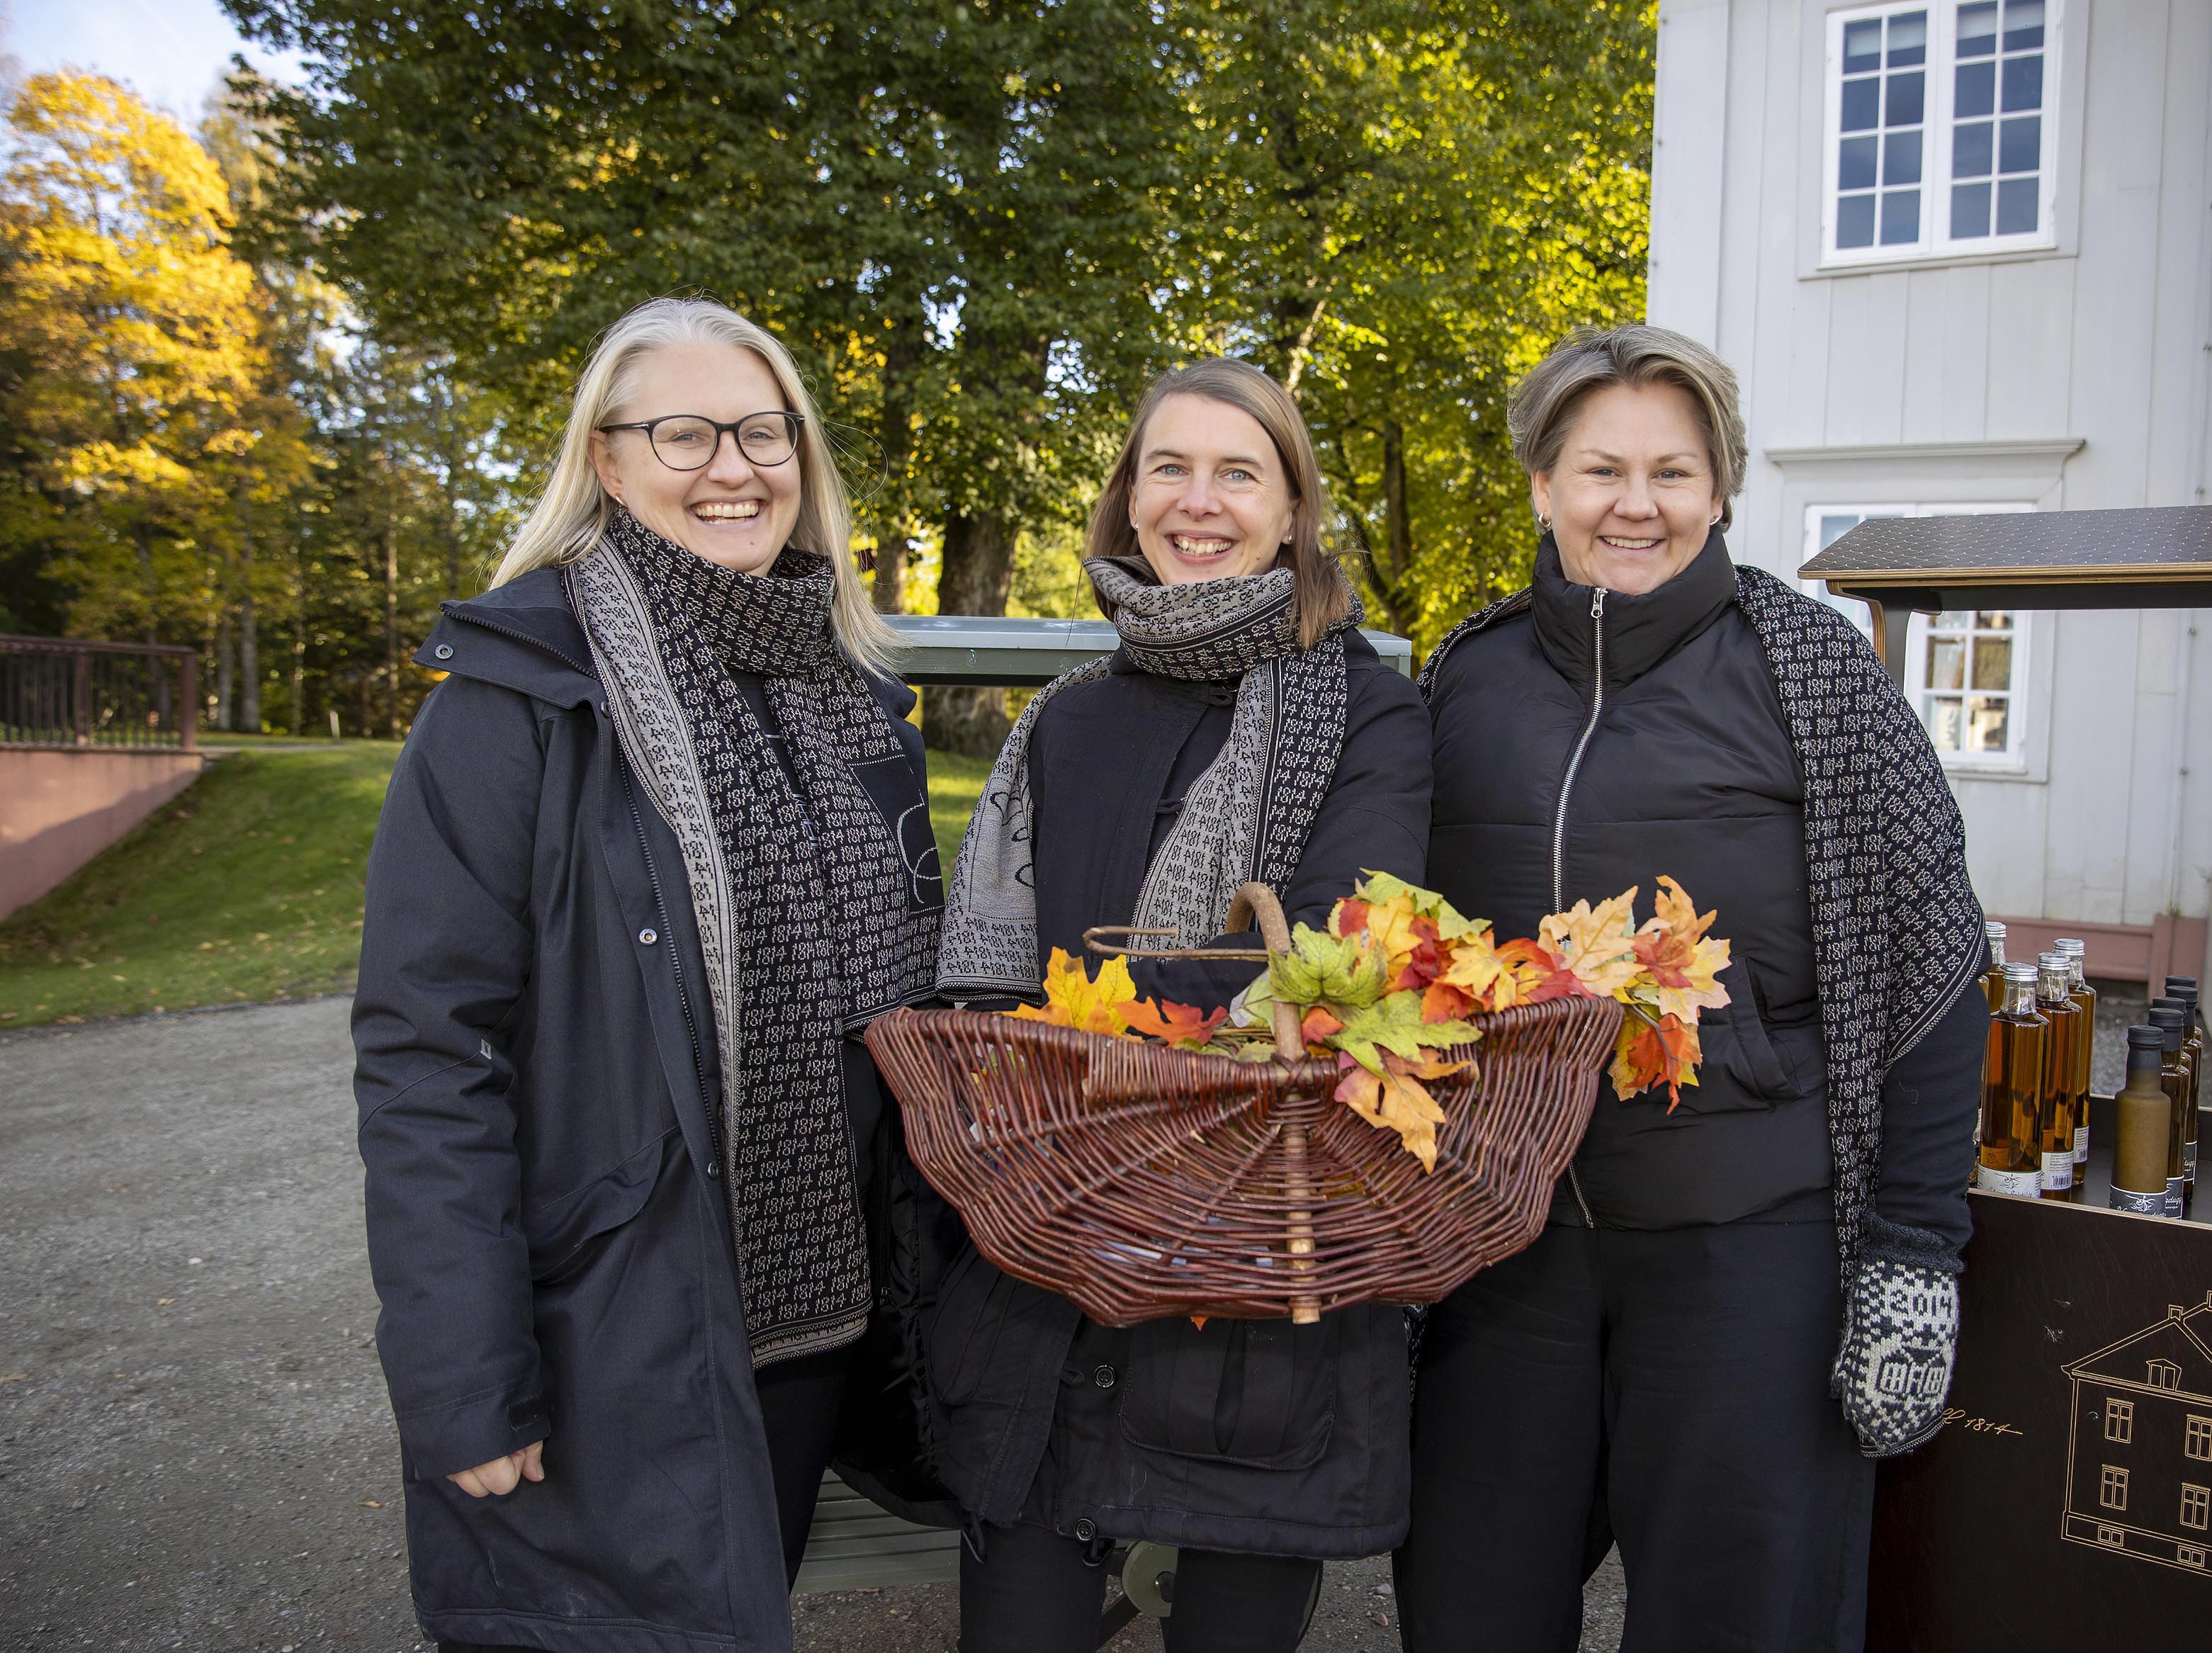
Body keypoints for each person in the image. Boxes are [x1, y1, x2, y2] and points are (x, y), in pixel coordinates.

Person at [351, 297, 948, 1653]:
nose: (733, 466)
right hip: (608, 1314)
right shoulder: (519, 700)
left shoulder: (854, 701)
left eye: (763, 429)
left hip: (813, 1307)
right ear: (606, 462)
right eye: (684, 432)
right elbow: (428, 1047)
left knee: (745, 1603)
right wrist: (461, 1370)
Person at [1393, 324, 1987, 1652]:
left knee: (1740, 1616)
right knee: (1468, 1608)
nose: (1635, 504)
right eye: (1600, 467)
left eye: (1673, 470)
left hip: (1746, 1256)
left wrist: (1912, 1255)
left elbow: (1935, 976)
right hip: (1505, 1248)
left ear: (1719, 490)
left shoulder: (1814, 672)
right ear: (1541, 482)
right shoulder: (1462, 676)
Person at [929, 358, 1432, 1652]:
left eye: (1238, 471)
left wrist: (1088, 1066)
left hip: (1257, 1270)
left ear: (1293, 506)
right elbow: (987, 981)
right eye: (1170, 466)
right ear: (1126, 499)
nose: (1198, 501)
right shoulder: (1066, 721)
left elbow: (1329, 961)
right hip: (1047, 1259)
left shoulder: (1369, 709)